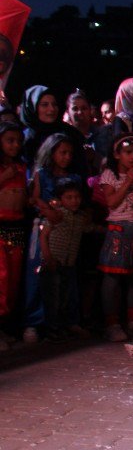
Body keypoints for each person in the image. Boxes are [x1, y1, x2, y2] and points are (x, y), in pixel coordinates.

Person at [23, 133, 82, 343]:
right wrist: (47, 210)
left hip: (66, 234)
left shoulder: (74, 178)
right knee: (39, 274)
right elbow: (35, 198)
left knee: (65, 278)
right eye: (62, 152)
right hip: (45, 229)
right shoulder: (42, 174)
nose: (66, 157)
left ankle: (62, 321)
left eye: (69, 153)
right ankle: (34, 322)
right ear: (51, 152)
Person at [98, 135, 133, 342]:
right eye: (128, 153)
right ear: (117, 154)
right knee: (112, 279)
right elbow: (112, 202)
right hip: (118, 232)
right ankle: (111, 323)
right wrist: (128, 182)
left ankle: (132, 320)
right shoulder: (109, 175)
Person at [39, 179, 102, 341]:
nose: (74, 201)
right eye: (69, 197)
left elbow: (91, 228)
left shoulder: (80, 217)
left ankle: (63, 326)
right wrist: (47, 257)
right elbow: (43, 235)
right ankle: (51, 330)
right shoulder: (57, 214)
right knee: (53, 297)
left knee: (66, 297)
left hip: (69, 263)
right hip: (54, 261)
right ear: (61, 199)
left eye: (76, 197)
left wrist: (110, 230)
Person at [0, 122, 26, 349]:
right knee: (1, 278)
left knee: (13, 281)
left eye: (18, 140)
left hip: (16, 228)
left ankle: (5, 328)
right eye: (9, 140)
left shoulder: (21, 167)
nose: (15, 145)